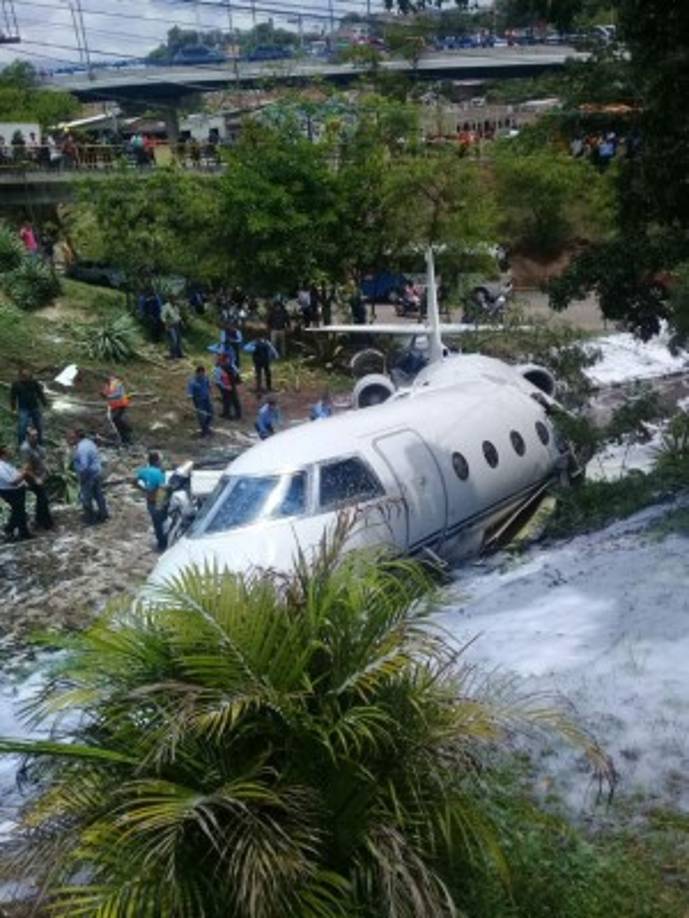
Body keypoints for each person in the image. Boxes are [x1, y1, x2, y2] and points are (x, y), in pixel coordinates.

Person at [70, 429, 108, 525]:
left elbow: (84, 466)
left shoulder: (81, 449)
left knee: (86, 498)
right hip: (96, 472)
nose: (70, 440)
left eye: (72, 438)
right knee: (98, 495)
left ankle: (90, 519)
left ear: (77, 437)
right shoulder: (90, 443)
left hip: (88, 475)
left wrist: (81, 477)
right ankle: (103, 514)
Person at [20, 427, 53, 530]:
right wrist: (36, 479)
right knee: (43, 498)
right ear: (27, 437)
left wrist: (46, 469)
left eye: (36, 435)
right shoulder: (25, 449)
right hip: (32, 478)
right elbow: (26, 467)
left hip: (41, 475)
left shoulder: (37, 446)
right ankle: (45, 523)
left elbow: (43, 459)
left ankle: (41, 521)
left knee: (42, 499)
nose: (35, 437)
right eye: (33, 436)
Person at [135, 451, 168, 551]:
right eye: (160, 460)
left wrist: (143, 489)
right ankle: (164, 544)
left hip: (149, 501)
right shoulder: (160, 472)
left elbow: (134, 481)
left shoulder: (143, 471)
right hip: (159, 500)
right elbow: (162, 488)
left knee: (156, 523)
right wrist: (162, 503)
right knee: (163, 522)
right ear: (157, 461)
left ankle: (160, 543)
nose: (162, 461)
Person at [0, 444, 31, 541]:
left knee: (20, 511)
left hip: (17, 490)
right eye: (8, 450)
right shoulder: (1, 467)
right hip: (11, 492)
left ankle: (24, 533)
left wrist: (23, 480)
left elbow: (15, 475)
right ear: (3, 454)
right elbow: (12, 482)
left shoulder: (7, 464)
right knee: (18, 511)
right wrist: (24, 472)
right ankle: (9, 529)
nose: (11, 452)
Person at [10, 367, 47, 446]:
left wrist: (44, 403)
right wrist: (13, 409)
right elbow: (13, 397)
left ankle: (40, 442)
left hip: (34, 407)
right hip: (23, 409)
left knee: (39, 426)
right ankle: (21, 444)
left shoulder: (34, 382)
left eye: (27, 375)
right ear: (20, 375)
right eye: (24, 375)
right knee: (22, 427)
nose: (25, 376)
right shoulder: (16, 384)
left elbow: (40, 393)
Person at [101, 373, 133, 446]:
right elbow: (105, 393)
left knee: (116, 418)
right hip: (114, 406)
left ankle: (127, 429)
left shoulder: (118, 384)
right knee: (114, 421)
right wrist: (103, 394)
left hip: (121, 404)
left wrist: (108, 396)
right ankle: (123, 437)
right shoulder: (107, 385)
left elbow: (118, 394)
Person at [213, 354, 242, 421]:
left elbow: (237, 372)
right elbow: (218, 379)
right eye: (226, 360)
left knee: (234, 399)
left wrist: (231, 383)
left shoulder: (230, 365)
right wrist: (225, 386)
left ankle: (237, 414)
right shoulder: (218, 368)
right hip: (225, 385)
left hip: (230, 385)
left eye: (228, 359)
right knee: (226, 399)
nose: (227, 361)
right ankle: (226, 413)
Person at [187, 365, 214, 437]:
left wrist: (211, 391)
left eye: (203, 373)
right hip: (198, 400)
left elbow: (209, 386)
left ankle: (207, 427)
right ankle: (204, 431)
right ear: (197, 373)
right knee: (201, 416)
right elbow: (190, 392)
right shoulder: (192, 381)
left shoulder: (206, 378)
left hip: (207, 398)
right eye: (201, 374)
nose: (202, 375)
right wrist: (190, 398)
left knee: (211, 413)